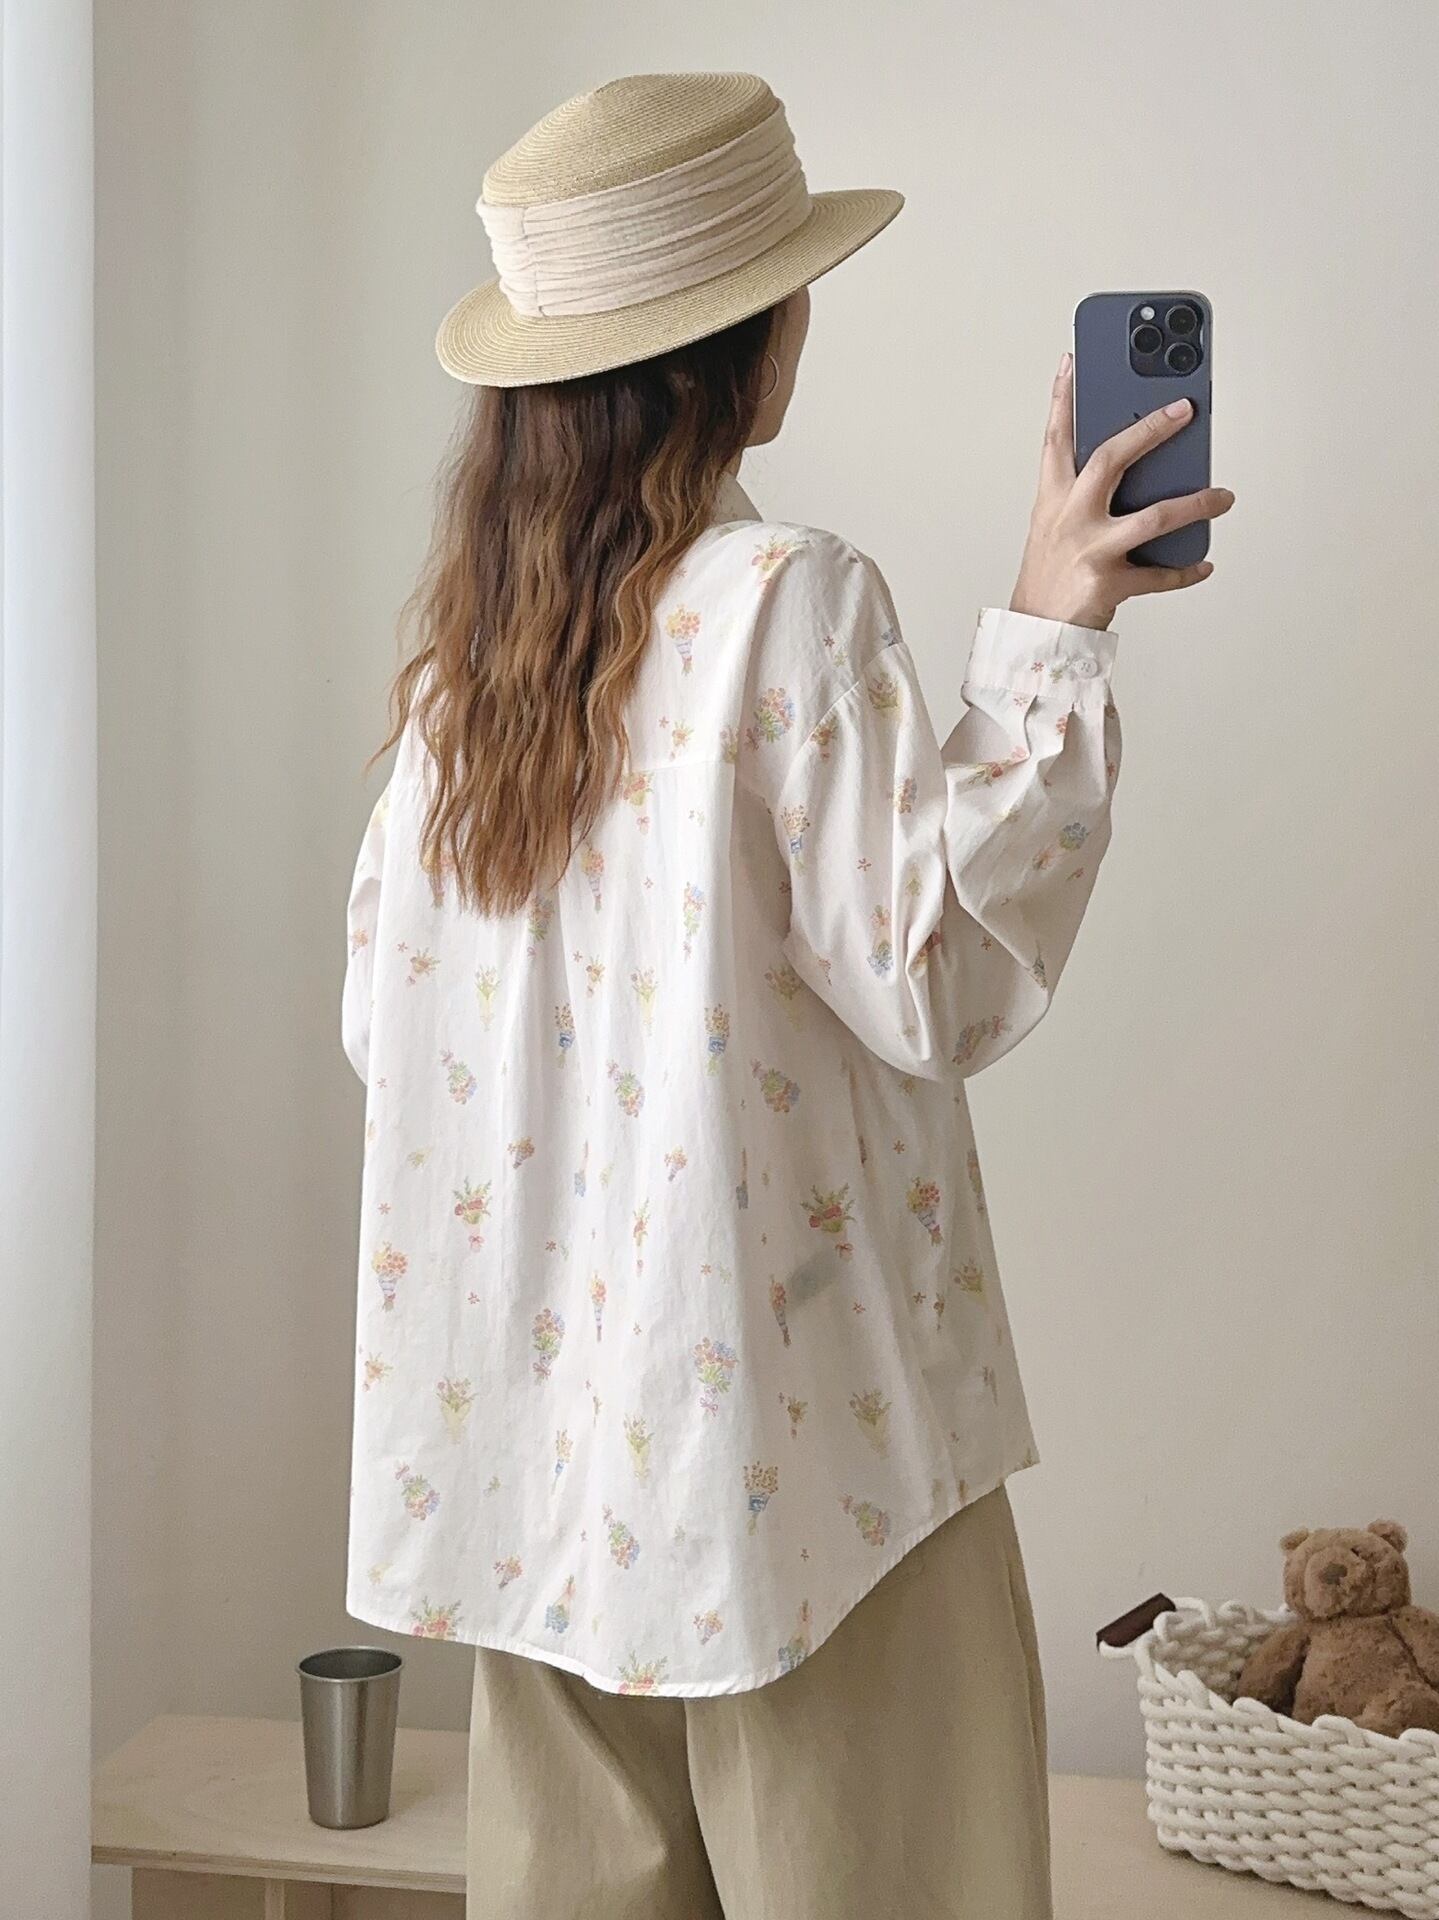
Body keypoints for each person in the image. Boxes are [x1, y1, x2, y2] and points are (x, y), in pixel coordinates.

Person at [340, 70, 1233, 1920]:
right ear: (743, 343)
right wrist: (1051, 630)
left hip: (541, 1474)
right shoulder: (782, 598)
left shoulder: (460, 683)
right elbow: (939, 980)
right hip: (808, 1462)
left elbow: (388, 1033)